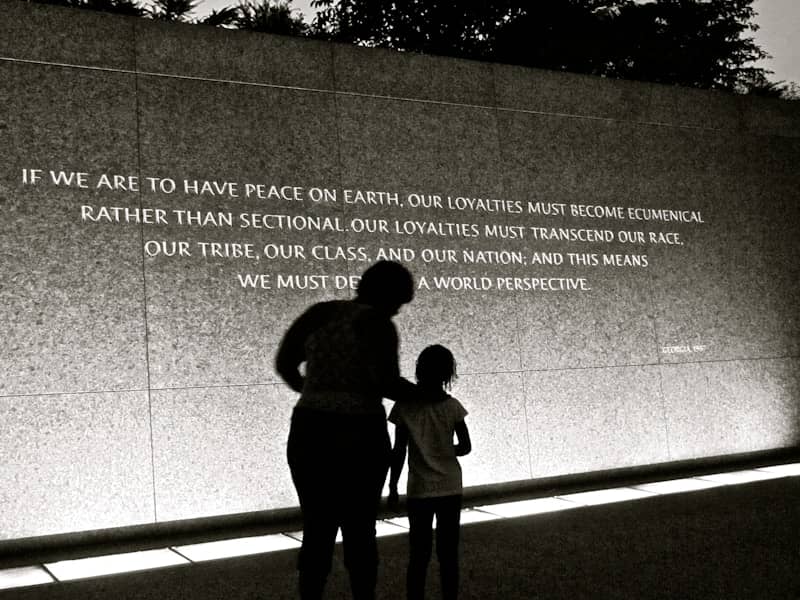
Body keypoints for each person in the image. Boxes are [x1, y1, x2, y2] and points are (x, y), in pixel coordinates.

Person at [275, 260, 417, 600]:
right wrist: (424, 394)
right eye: (398, 301)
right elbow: (384, 382)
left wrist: (313, 390)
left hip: (310, 429)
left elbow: (284, 363)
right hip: (360, 434)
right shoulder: (378, 324)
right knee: (360, 530)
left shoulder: (319, 313)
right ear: (389, 295)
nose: (398, 310)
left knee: (317, 529)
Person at [387, 344, 471, 600]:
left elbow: (398, 451)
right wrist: (445, 450)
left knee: (419, 554)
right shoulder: (453, 407)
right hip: (450, 486)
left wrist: (392, 488)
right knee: (448, 554)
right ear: (448, 373)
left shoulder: (404, 407)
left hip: (419, 488)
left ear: (419, 370)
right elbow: (466, 447)